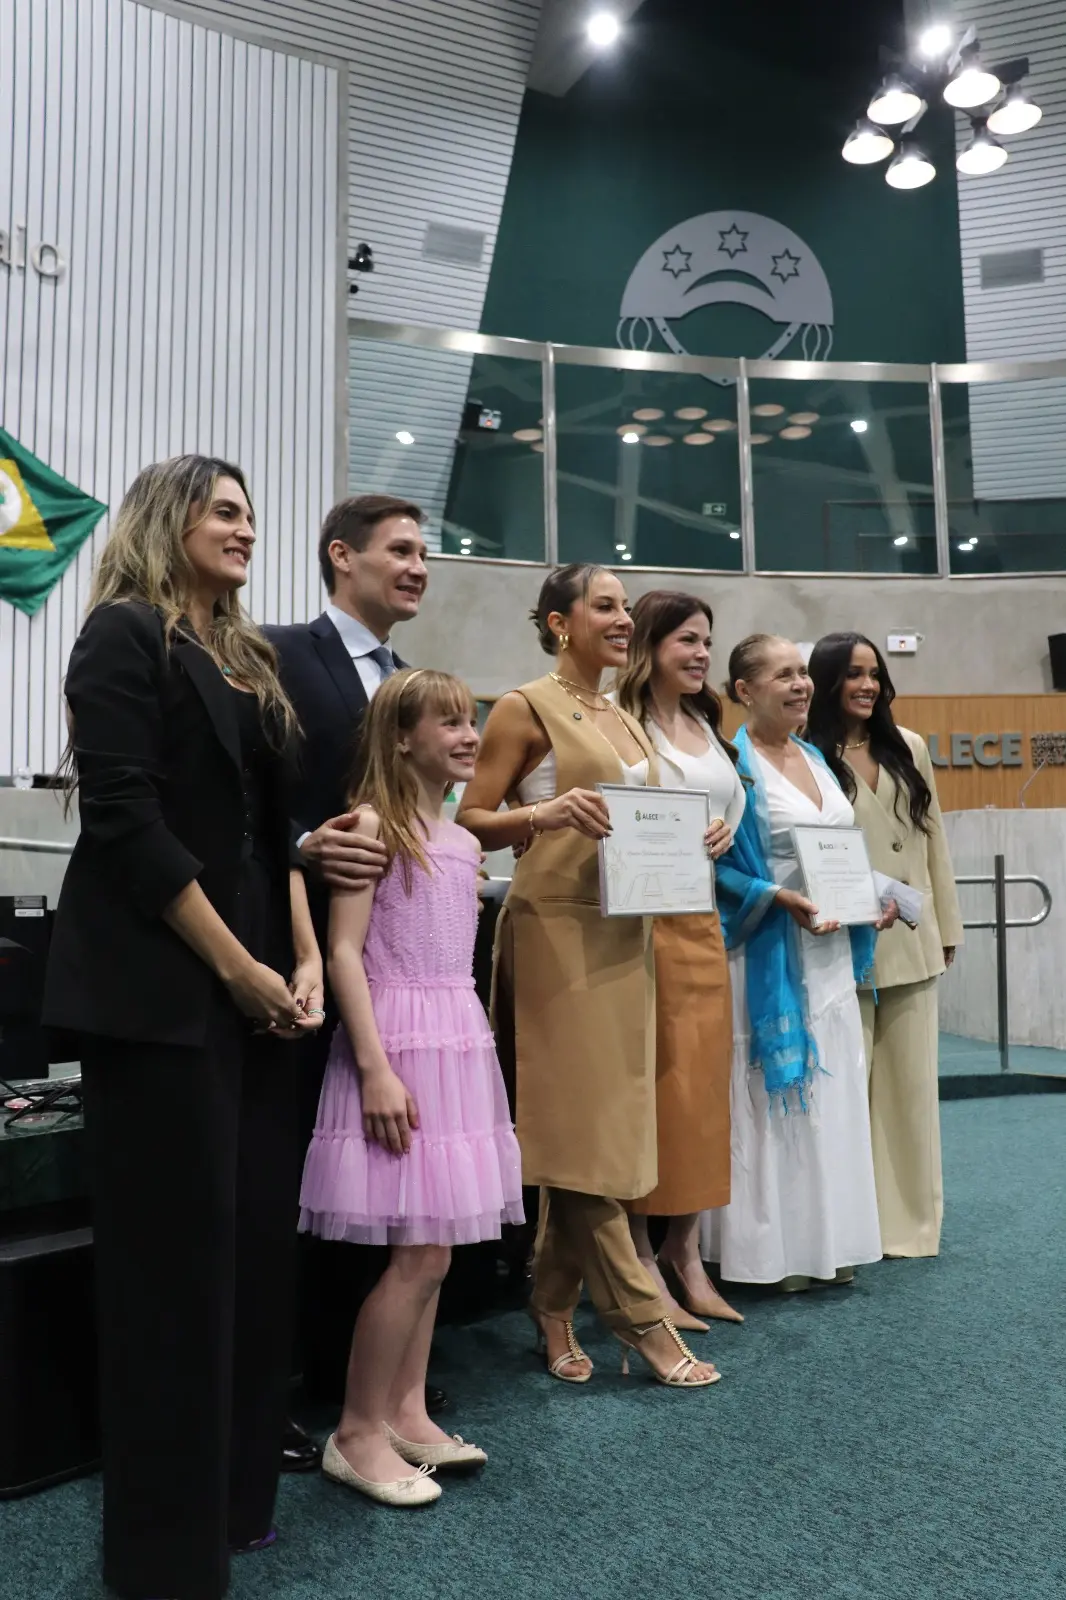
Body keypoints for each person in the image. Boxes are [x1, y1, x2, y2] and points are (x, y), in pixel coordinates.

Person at [42, 456, 324, 1600]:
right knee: (170, 1280)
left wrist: (300, 958)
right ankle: (162, 1558)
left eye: (253, 513)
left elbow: (278, 826)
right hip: (163, 995)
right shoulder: (123, 634)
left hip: (257, 987)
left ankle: (235, 1510)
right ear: (171, 519)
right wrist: (241, 966)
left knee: (252, 1260)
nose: (246, 529)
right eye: (224, 510)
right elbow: (126, 821)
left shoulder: (246, 657)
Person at [458, 564, 718, 1390]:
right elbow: (469, 819)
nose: (622, 617)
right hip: (555, 931)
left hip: (627, 932)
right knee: (578, 1133)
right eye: (604, 605)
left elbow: (647, 818)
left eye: (625, 607)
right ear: (558, 621)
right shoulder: (522, 704)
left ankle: (551, 1303)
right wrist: (542, 814)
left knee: (597, 1133)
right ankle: (642, 1322)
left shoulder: (627, 716)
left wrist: (699, 836)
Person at [299, 669, 523, 1505]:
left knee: (438, 1245)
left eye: (474, 723)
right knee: (419, 1250)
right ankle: (355, 1431)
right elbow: (345, 952)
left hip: (456, 1039)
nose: (470, 736)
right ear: (401, 737)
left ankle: (403, 1409)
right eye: (451, 723)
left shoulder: (465, 841)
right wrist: (373, 1068)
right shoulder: (369, 827)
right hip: (395, 1043)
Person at [264, 493, 449, 1455]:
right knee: (302, 1181)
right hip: (298, 957)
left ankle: (373, 1394)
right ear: (342, 556)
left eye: (427, 553)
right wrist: (302, 847)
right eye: (402, 551)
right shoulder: (279, 655)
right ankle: (287, 1391)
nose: (419, 566)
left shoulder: (411, 683)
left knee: (379, 1186)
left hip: (397, 974)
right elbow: (261, 802)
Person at [702, 634, 892, 1292]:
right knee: (775, 1097)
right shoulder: (734, 768)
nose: (802, 685)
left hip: (832, 951)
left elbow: (839, 849)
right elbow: (716, 865)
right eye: (783, 675)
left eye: (803, 674)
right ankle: (772, 1254)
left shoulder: (817, 755)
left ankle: (829, 1240)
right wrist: (774, 897)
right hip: (769, 951)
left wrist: (873, 899)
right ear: (744, 691)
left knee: (833, 1093)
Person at [806, 632, 963, 1259]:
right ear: (824, 682)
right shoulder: (805, 754)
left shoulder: (911, 748)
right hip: (839, 945)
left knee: (909, 1095)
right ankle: (852, 1226)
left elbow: (934, 843)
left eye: (874, 673)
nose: (867, 685)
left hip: (912, 944)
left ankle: (910, 1227)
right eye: (852, 674)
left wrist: (946, 927)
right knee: (846, 1093)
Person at [613, 591, 745, 1328]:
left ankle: (685, 1252)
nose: (700, 654)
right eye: (686, 641)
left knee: (700, 1087)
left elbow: (730, 800)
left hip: (701, 921)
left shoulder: (704, 720)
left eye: (707, 641)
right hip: (640, 923)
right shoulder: (620, 723)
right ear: (651, 644)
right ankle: (637, 1256)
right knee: (653, 1088)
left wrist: (726, 828)